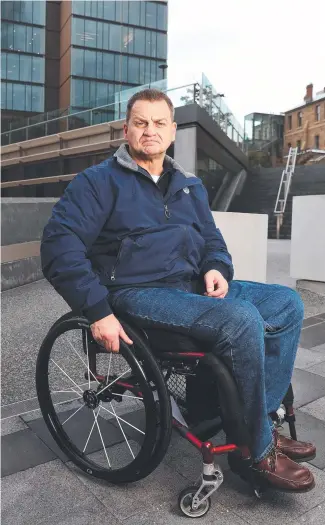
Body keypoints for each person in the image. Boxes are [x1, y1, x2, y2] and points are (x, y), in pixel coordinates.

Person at [41, 88, 316, 493]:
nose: (149, 131)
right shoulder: (97, 183)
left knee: (286, 303)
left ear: (171, 131)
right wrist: (97, 310)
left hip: (189, 289)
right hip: (137, 292)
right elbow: (58, 247)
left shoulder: (189, 185)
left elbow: (212, 242)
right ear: (127, 129)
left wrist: (216, 268)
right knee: (241, 319)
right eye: (140, 123)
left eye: (158, 123)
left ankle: (260, 425)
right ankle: (255, 451)